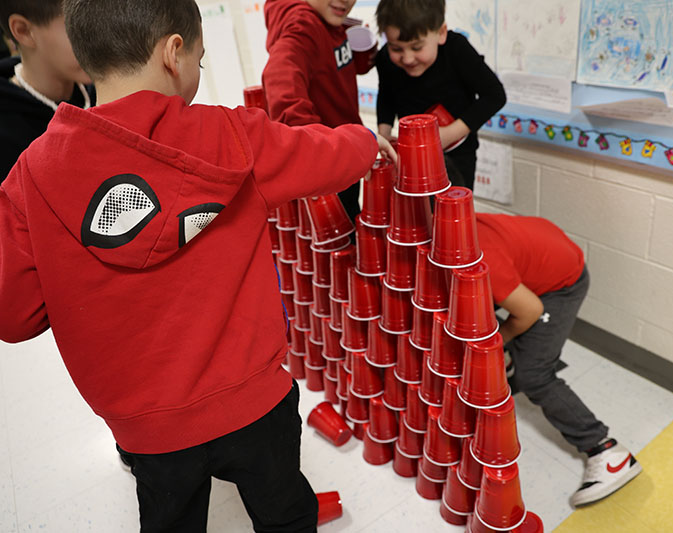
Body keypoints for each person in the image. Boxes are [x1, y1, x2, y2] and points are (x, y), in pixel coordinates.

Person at [0, 0, 394, 530]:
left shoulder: (31, 177)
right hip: (256, 403)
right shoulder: (233, 137)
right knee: (285, 511)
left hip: (148, 431)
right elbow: (323, 155)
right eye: (201, 62)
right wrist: (368, 141)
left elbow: (15, 316)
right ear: (174, 53)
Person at [476, 212, 642, 507]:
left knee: (534, 375)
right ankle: (509, 358)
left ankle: (606, 451)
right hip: (543, 255)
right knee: (472, 301)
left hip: (561, 285)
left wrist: (495, 343)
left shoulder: (482, 253)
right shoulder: (453, 226)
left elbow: (530, 310)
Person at [375, 0, 506, 190]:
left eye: (417, 47)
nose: (408, 58)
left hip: (457, 153)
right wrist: (384, 133)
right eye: (396, 48)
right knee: (414, 209)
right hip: (411, 154)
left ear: (441, 33)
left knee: (451, 209)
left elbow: (495, 95)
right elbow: (386, 96)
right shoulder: (385, 59)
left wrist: (450, 133)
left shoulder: (457, 50)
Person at [262, 0, 363, 222]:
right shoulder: (303, 25)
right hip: (331, 167)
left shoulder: (327, 16)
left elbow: (329, 64)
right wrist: (315, 143)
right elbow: (280, 79)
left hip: (342, 156)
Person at [0, 0, 94, 180]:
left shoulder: (106, 89)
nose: (98, 40)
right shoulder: (6, 138)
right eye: (77, 26)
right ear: (23, 30)